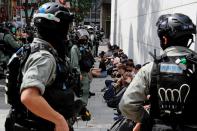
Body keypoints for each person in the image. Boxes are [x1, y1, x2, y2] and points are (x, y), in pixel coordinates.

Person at [4, 2, 77, 131]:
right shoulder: (44, 57)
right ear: (53, 27)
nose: (67, 31)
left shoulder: (37, 50)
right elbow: (29, 96)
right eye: (65, 26)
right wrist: (59, 120)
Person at [119, 13, 197, 131]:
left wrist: (148, 120)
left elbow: (126, 105)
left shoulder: (150, 69)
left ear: (164, 39)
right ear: (189, 39)